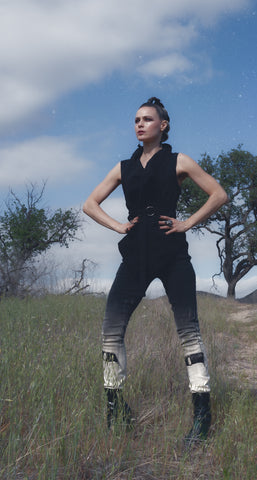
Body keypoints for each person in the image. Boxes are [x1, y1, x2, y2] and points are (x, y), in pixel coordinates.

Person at [83, 97, 228, 445]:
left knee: (189, 332)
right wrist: (118, 227)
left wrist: (187, 223)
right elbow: (89, 204)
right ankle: (115, 408)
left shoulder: (180, 161)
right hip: (135, 255)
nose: (140, 124)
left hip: (172, 253)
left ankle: (201, 417)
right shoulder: (122, 168)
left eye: (148, 119)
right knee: (110, 332)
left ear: (163, 125)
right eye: (136, 119)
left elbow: (218, 194)